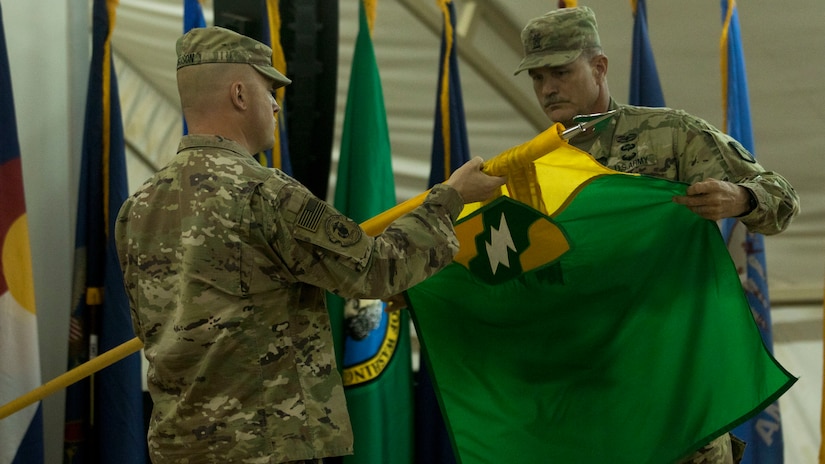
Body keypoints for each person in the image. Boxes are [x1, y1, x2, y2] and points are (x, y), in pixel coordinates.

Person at [114, 26, 505, 464]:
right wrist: (450, 198)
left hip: (181, 448)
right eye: (268, 89)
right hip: (267, 446)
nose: (276, 104)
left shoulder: (136, 209)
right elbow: (374, 269)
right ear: (240, 95)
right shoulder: (264, 194)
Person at [513, 6, 799, 464]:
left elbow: (781, 199)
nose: (548, 89)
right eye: (537, 77)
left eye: (561, 72)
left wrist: (741, 198)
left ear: (599, 67)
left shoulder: (670, 135)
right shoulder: (529, 171)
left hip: (678, 383)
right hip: (590, 400)